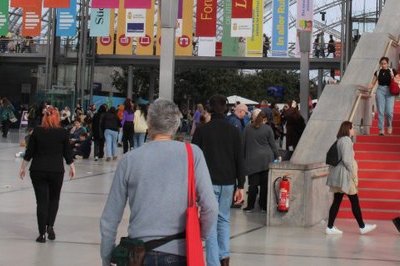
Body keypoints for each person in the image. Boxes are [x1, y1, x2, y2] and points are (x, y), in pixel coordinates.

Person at [100, 99, 217, 266]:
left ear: (149, 122)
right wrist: (200, 236)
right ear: (176, 124)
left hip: (138, 255)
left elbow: (110, 218)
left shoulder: (130, 160)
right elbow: (211, 207)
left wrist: (106, 257)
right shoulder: (192, 154)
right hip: (179, 252)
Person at [192, 94, 246, 266]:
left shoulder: (201, 131)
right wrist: (241, 185)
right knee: (224, 219)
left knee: (210, 223)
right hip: (229, 182)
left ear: (209, 109)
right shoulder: (234, 131)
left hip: (207, 182)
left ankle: (213, 262)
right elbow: (239, 159)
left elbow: (194, 160)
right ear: (226, 108)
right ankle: (224, 258)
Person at [19, 107, 75, 243]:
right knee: (54, 199)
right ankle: (50, 226)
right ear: (57, 118)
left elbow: (29, 151)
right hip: (56, 170)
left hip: (38, 169)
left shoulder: (37, 131)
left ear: (44, 117)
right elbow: (67, 153)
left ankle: (41, 234)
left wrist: (23, 167)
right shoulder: (63, 133)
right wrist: (72, 167)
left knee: (41, 201)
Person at [325, 121, 377, 235]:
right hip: (345, 176)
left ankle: (330, 226)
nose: (354, 130)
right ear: (348, 129)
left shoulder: (340, 140)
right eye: (352, 128)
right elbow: (347, 161)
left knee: (337, 201)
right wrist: (353, 175)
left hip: (338, 175)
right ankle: (362, 226)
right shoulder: (347, 141)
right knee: (354, 201)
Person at [243, 110, 280, 212]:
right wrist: (278, 155)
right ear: (265, 119)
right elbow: (273, 144)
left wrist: (242, 158)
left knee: (253, 185)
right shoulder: (268, 129)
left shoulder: (247, 128)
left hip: (252, 160)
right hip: (267, 159)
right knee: (264, 185)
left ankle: (250, 206)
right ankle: (263, 206)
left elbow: (243, 144)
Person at [373, 57, 398, 136]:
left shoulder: (392, 71)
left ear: (387, 63)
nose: (383, 65)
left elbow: (399, 79)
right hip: (380, 90)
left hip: (389, 90)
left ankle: (389, 125)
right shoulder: (377, 72)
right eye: (382, 64)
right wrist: (366, 88)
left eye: (385, 64)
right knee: (380, 110)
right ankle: (381, 129)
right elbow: (372, 83)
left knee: (389, 112)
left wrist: (393, 77)